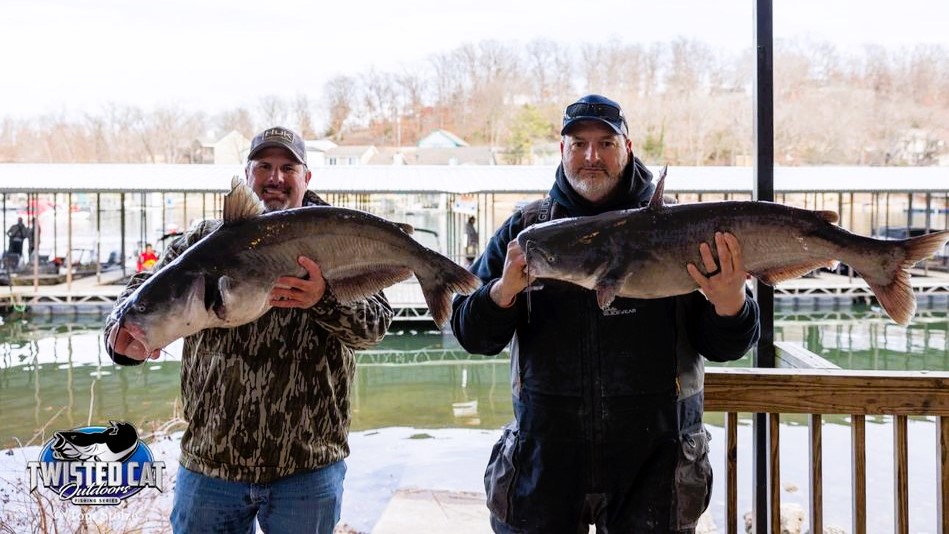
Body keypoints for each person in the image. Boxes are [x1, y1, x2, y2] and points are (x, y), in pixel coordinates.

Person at [450, 94, 761, 533]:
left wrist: (731, 302)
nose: (591, 156)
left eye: (605, 143)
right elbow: (468, 333)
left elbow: (725, 346)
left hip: (658, 469)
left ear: (628, 148)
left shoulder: (681, 229)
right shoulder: (526, 231)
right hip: (543, 468)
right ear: (562, 151)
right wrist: (503, 292)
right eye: (578, 144)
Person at [103, 126, 394, 533]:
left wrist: (323, 299)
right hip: (211, 465)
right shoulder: (203, 239)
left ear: (306, 178)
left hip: (307, 467)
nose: (275, 177)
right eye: (264, 166)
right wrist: (120, 341)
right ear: (248, 172)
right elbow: (135, 297)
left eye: (287, 167)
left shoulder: (338, 237)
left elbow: (376, 327)